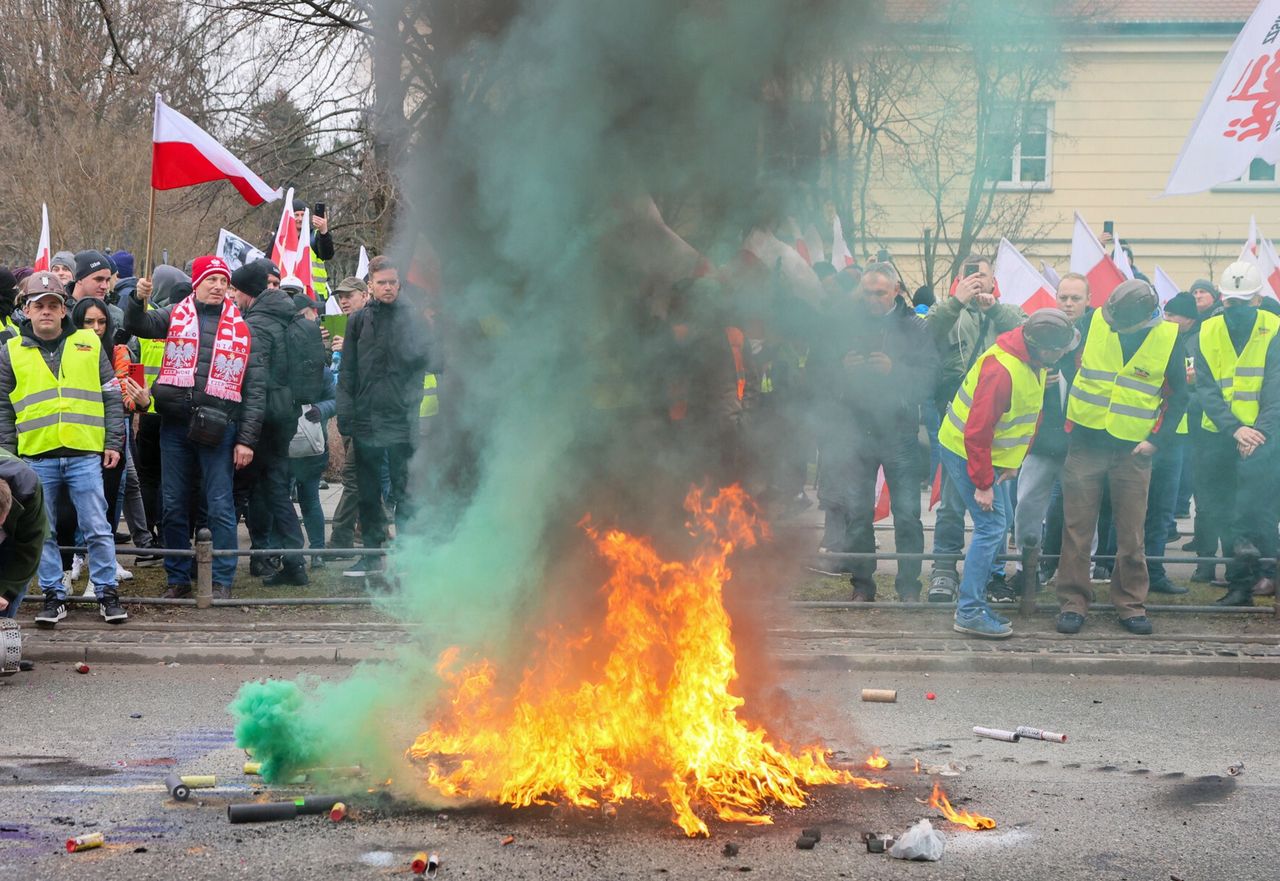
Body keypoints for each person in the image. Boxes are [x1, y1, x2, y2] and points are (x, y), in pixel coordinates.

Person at [125, 256, 265, 599]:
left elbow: (256, 390)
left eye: (223, 281)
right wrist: (135, 298)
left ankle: (222, 580)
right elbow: (138, 324)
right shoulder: (173, 316)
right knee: (173, 504)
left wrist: (246, 440)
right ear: (197, 282)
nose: (218, 287)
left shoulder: (244, 330)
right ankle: (178, 579)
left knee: (220, 505)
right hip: (174, 426)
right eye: (211, 280)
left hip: (221, 429)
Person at [1055, 280, 1188, 636]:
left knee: (1131, 533)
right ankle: (1073, 601)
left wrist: (1156, 440)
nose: (1111, 323)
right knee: (1077, 529)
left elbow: (1178, 396)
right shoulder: (1092, 321)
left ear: (1143, 319)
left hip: (1132, 450)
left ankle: (1130, 604)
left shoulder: (1168, 338)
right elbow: (1066, 361)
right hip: (1086, 441)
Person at [938, 309, 1078, 637]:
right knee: (990, 527)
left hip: (985, 454)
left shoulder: (1034, 360)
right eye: (1059, 349)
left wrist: (1013, 461)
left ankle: (975, 602)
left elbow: (1030, 415)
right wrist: (984, 484)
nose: (1063, 354)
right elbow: (976, 431)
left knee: (998, 524)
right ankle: (970, 610)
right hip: (965, 450)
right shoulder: (1002, 370)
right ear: (1043, 348)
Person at [0, 272, 126, 626]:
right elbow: (2, 409)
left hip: (84, 453)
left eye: (52, 305)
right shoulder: (10, 352)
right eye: (38, 305)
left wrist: (113, 440)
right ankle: (54, 595)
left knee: (97, 527)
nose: (46, 312)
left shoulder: (88, 342)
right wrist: (9, 458)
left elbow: (111, 394)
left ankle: (106, 592)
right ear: (26, 310)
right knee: (46, 531)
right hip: (36, 456)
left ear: (63, 309)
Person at [812, 262, 936, 601]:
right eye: (867, 292)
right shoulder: (846, 327)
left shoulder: (915, 328)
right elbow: (819, 375)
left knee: (908, 515)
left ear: (896, 291)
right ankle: (862, 585)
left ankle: (909, 588)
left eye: (880, 292)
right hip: (856, 432)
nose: (872, 299)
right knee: (858, 513)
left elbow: (929, 378)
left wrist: (893, 370)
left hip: (899, 433)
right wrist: (843, 369)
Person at [925, 255, 1026, 603]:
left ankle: (993, 576)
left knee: (998, 507)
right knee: (952, 504)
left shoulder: (1006, 312)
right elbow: (927, 333)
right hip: (958, 421)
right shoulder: (949, 311)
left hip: (999, 430)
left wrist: (993, 308)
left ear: (993, 280)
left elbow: (1025, 330)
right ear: (958, 279)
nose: (977, 281)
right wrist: (958, 301)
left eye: (982, 275)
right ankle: (943, 570)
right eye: (970, 275)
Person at [336, 256, 434, 578]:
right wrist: (345, 416)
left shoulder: (413, 320)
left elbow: (425, 365)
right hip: (365, 421)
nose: (388, 287)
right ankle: (372, 555)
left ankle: (407, 555)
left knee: (404, 491)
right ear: (371, 286)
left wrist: (411, 409)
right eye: (381, 283)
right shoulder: (358, 321)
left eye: (392, 282)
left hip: (401, 421)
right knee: (367, 492)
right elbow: (347, 371)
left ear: (399, 284)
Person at [1190, 261, 1280, 606]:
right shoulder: (1208, 331)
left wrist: (1256, 433)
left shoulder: (1274, 328)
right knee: (1224, 511)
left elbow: (1276, 387)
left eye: (1242, 301)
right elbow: (1207, 389)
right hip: (1221, 436)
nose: (1236, 308)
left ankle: (1267, 577)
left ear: (1258, 298)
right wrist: (1236, 430)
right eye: (1231, 302)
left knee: (1261, 511)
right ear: (1222, 299)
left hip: (1264, 436)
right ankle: (1240, 585)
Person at [1009, 274, 1090, 598]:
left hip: (1082, 442)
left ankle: (1079, 574)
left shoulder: (1097, 335)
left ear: (1088, 300)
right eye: (1063, 297)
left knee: (1082, 511)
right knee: (1027, 504)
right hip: (1042, 441)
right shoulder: (1040, 328)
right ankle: (1025, 570)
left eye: (1075, 298)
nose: (1068, 304)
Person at [231, 260, 310, 586]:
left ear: (248, 292)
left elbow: (256, 381)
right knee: (274, 488)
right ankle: (293, 564)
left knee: (252, 490)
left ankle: (213, 565)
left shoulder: (258, 324)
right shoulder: (289, 314)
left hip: (263, 419)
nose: (233, 296)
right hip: (286, 414)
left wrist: (247, 435)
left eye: (235, 289)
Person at [1142, 291, 1200, 596]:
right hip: (1146, 433)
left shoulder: (1192, 342)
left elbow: (1182, 395)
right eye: (1163, 314)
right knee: (1134, 508)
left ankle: (1153, 570)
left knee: (1163, 509)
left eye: (1172, 315)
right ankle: (1127, 569)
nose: (1167, 320)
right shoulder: (1153, 341)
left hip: (1174, 437)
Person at [326, 277, 370, 556]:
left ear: (365, 295)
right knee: (364, 476)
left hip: (367, 416)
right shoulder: (347, 324)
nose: (344, 301)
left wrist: (349, 350)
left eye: (349, 295)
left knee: (354, 477)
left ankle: (342, 538)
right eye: (341, 296)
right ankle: (367, 531)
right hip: (350, 414)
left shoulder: (370, 322)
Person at [0, 448, 49, 620]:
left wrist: (5, 592)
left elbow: (29, 548)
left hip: (14, 543)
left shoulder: (28, 488)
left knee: (3, 608)